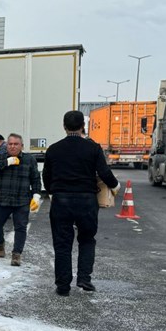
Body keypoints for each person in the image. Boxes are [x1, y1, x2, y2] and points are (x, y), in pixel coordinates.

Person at [43, 110, 120, 296]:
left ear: (64, 126)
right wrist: (115, 186)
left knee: (62, 243)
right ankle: (84, 278)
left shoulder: (53, 149)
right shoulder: (93, 148)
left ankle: (63, 286)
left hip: (61, 200)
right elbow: (104, 172)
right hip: (86, 200)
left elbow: (46, 176)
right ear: (83, 126)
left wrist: (53, 192)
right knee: (87, 239)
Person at [0, 133, 40, 266]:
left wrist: (36, 195)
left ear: (22, 146)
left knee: (21, 227)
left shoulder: (29, 159)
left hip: (21, 201)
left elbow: (35, 179)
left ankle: (16, 254)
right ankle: (0, 243)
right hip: (2, 200)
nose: (12, 146)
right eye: (10, 144)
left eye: (16, 144)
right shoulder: (1, 156)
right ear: (7, 145)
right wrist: (7, 162)